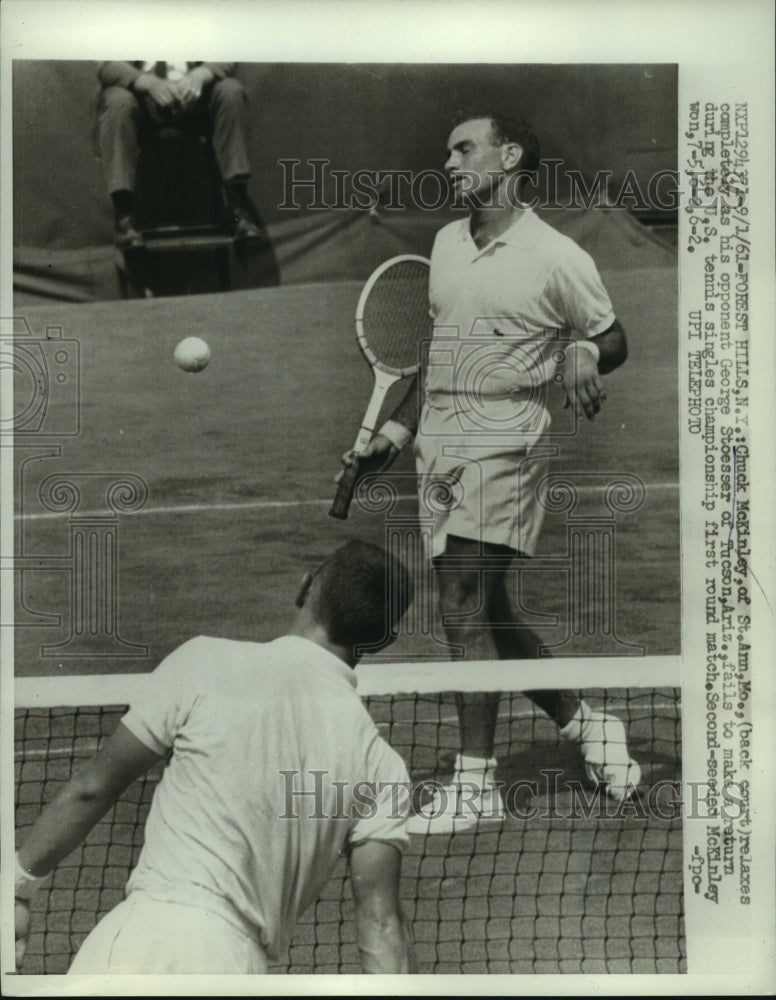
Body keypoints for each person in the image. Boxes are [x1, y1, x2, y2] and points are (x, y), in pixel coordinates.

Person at [339, 111, 641, 833]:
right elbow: (437, 352)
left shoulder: (557, 255)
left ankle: (476, 785)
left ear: (508, 157)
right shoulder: (446, 243)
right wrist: (396, 430)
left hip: (507, 438)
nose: (449, 162)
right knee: (487, 610)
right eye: (448, 150)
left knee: (463, 605)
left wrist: (584, 355)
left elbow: (612, 335)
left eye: (463, 148)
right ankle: (587, 725)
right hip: (438, 441)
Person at [15, 540, 416, 974]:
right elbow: (379, 922)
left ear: (304, 587)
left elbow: (90, 791)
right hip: (236, 967)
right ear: (383, 640)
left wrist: (16, 887)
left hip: (138, 944)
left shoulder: (204, 661)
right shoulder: (382, 767)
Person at [97, 61, 262, 249]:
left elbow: (226, 49)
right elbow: (106, 63)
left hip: (196, 98)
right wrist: (145, 81)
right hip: (142, 99)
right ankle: (125, 217)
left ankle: (238, 210)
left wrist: (202, 73)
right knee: (117, 101)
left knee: (230, 92)